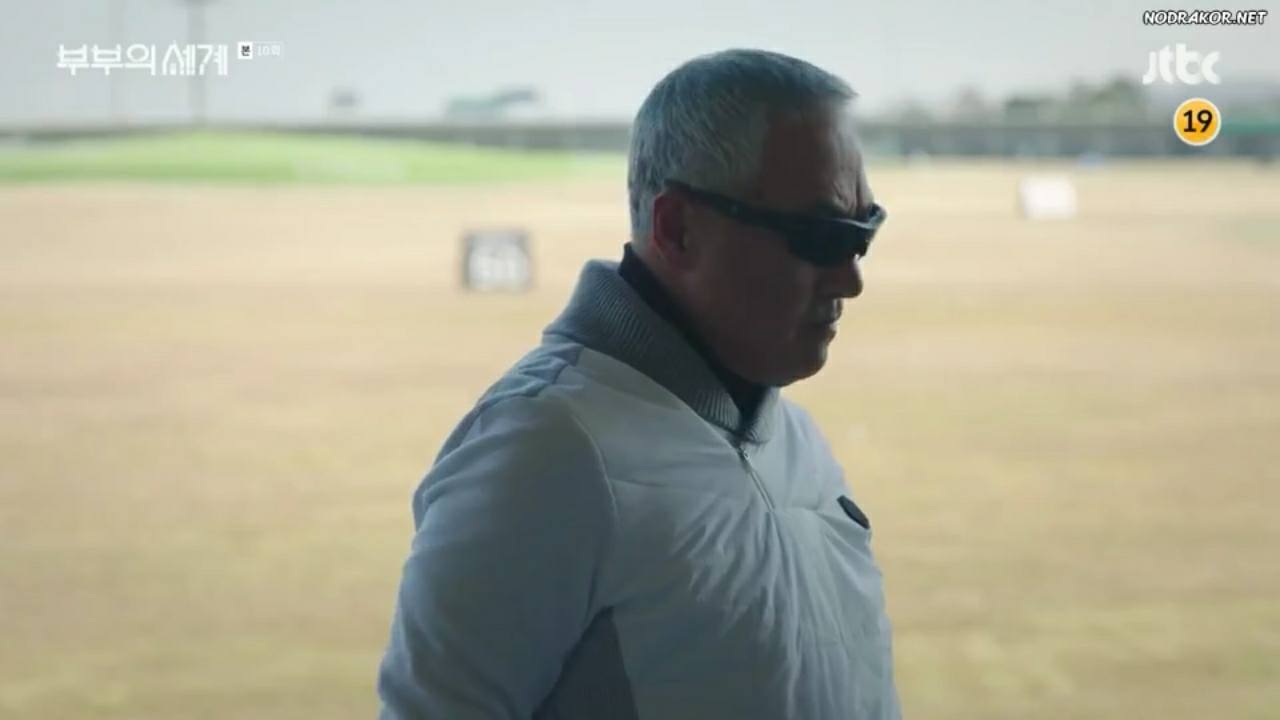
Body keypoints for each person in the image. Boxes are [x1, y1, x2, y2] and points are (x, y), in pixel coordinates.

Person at [377, 47, 899, 719]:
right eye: (820, 238)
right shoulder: (542, 452)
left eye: (863, 234)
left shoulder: (798, 441)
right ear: (677, 229)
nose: (851, 280)